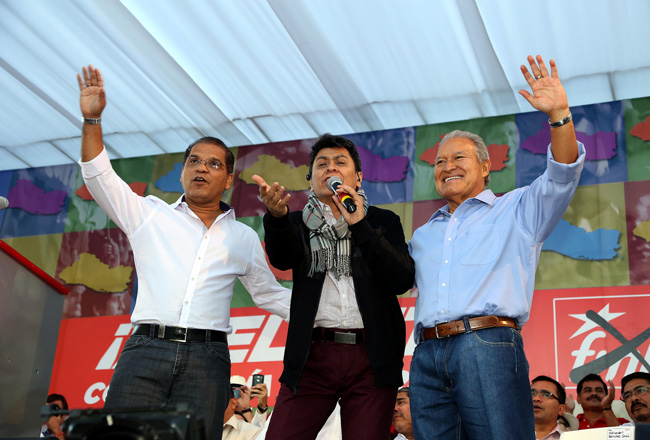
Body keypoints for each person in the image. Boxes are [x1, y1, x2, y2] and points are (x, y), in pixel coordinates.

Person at [76, 65, 290, 440]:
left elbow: (270, 295)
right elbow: (97, 176)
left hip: (207, 360)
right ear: (182, 173)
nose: (201, 168)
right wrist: (92, 119)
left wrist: (334, 317)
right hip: (146, 349)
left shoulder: (242, 237)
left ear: (228, 179)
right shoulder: (149, 214)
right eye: (194, 161)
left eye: (213, 164)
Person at [408, 55, 586, 440]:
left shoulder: (518, 209)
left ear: (486, 167)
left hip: (486, 345)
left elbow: (562, 174)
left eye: (459, 157)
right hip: (426, 355)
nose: (447, 166)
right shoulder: (423, 234)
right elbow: (392, 278)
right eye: (439, 162)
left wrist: (559, 115)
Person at [252, 133, 415, 440]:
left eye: (340, 162)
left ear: (358, 177)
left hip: (372, 358)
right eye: (322, 164)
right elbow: (282, 258)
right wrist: (276, 218)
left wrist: (360, 225)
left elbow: (401, 279)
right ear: (311, 180)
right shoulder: (297, 223)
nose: (331, 168)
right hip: (312, 357)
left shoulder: (383, 221)